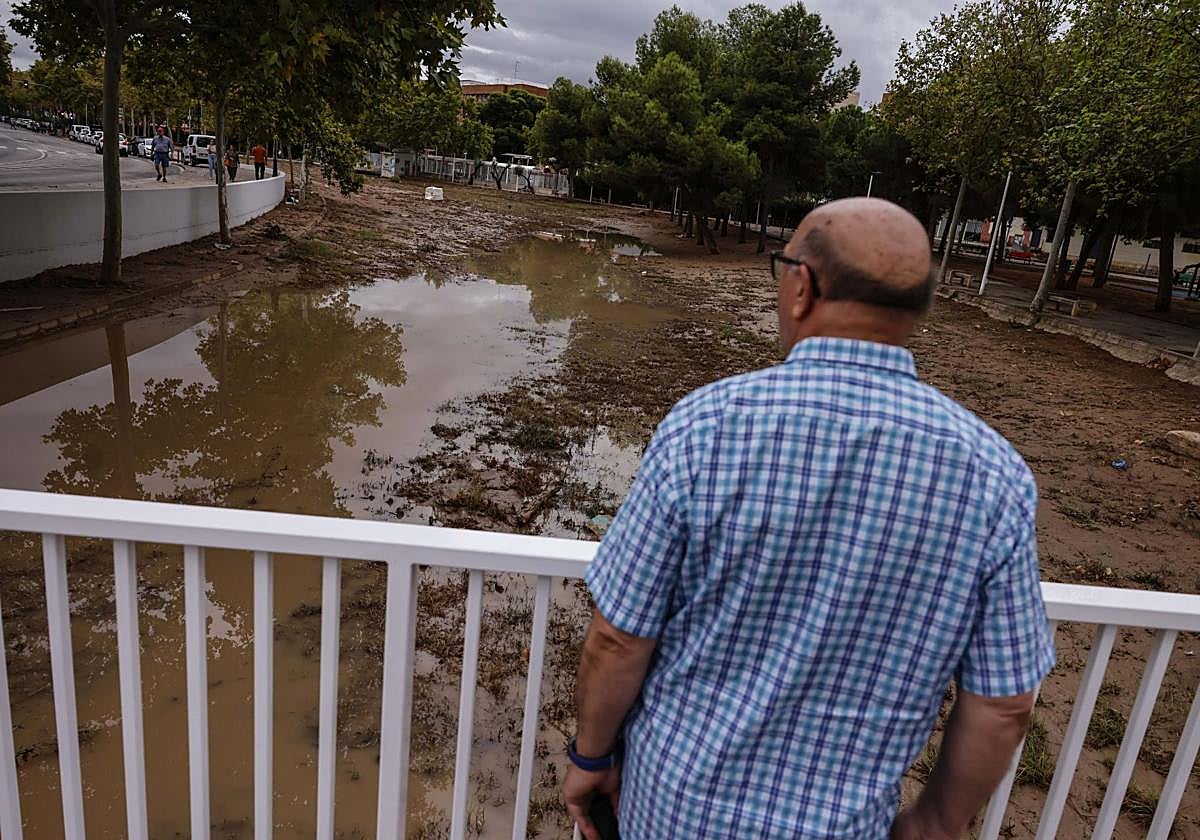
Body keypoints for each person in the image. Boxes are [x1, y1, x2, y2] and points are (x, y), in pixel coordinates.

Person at [562, 197, 1056, 840]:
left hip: (672, 809)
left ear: (802, 287)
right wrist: (934, 822)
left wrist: (590, 756)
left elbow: (619, 638)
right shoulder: (995, 475)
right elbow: (1004, 704)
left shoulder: (707, 426)